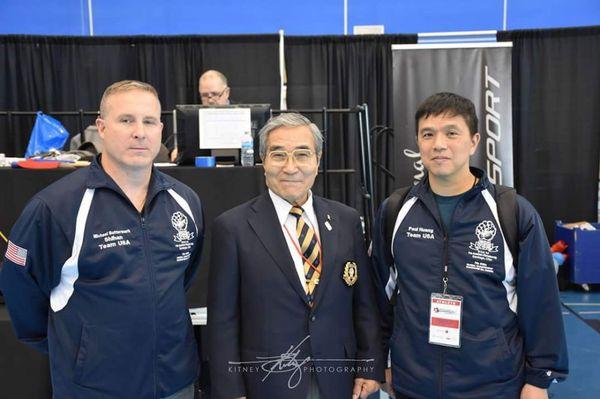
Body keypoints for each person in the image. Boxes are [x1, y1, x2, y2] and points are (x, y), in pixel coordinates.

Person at [0, 80, 204, 399]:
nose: (139, 132)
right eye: (126, 120)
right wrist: (80, 351)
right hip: (94, 387)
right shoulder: (55, 207)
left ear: (161, 129)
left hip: (175, 382)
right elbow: (21, 292)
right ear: (102, 128)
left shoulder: (185, 201)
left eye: (149, 121)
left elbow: (183, 276)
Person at [372, 92, 568, 399]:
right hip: (413, 382)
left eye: (452, 133)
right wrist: (380, 360)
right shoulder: (395, 210)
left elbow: (541, 301)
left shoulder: (513, 212)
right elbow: (378, 297)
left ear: (474, 141)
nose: (439, 144)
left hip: (494, 383)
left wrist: (539, 379)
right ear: (418, 142)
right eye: (428, 134)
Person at [208, 113, 384, 399]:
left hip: (340, 380)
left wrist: (369, 366)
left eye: (302, 154)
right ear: (263, 160)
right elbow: (223, 322)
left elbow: (364, 304)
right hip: (267, 381)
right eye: (279, 155)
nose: (291, 167)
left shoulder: (346, 220)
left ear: (318, 159)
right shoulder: (232, 227)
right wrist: (230, 390)